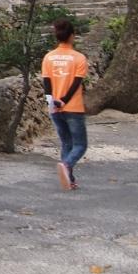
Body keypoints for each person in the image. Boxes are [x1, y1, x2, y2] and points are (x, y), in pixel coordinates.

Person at [42, 17, 89, 191]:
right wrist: (65, 100)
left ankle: (69, 179)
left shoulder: (48, 57)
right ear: (71, 36)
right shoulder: (78, 58)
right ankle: (67, 165)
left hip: (54, 107)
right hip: (73, 107)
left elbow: (46, 83)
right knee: (80, 145)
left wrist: (51, 102)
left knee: (66, 143)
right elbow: (76, 83)